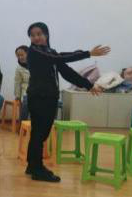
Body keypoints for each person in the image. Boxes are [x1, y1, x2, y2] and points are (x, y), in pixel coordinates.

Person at [25, 22, 109, 182]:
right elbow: (61, 57)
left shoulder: (50, 52)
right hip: (39, 97)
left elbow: (67, 72)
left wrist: (89, 85)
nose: (36, 37)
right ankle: (37, 169)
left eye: (39, 34)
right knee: (39, 134)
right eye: (32, 35)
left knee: (40, 134)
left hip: (49, 97)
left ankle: (32, 166)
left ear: (46, 34)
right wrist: (88, 53)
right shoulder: (34, 51)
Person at [14, 45, 31, 121]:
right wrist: (17, 95)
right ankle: (23, 124)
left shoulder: (36, 63)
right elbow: (17, 82)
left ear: (28, 54)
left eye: (22, 55)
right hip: (26, 90)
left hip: (38, 89)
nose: (20, 57)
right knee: (26, 101)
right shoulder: (19, 68)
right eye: (18, 56)